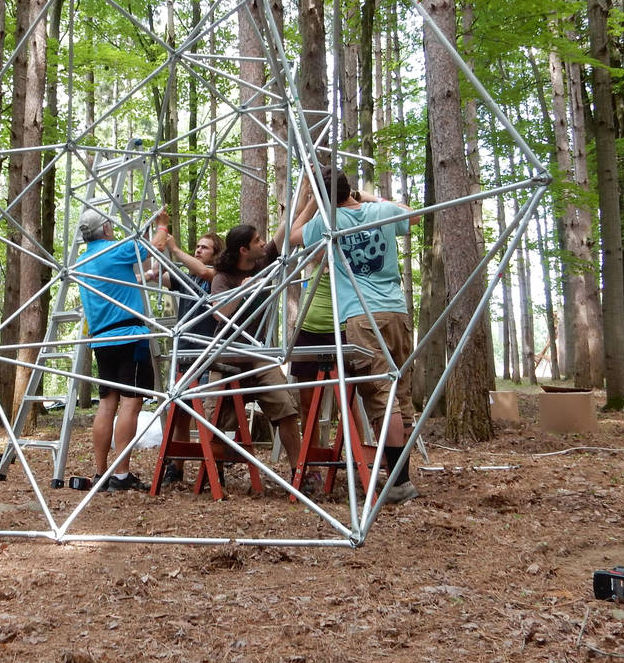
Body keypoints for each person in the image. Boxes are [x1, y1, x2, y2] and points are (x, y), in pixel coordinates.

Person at [291, 164, 422, 504]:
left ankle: (398, 481)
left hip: (362, 317)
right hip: (397, 312)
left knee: (382, 396)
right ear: (350, 189)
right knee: (399, 393)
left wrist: (312, 202)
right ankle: (400, 476)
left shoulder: (328, 222)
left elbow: (293, 235)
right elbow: (415, 216)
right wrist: (368, 197)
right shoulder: (380, 211)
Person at [73, 206, 170, 492]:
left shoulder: (83, 261)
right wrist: (161, 223)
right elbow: (155, 244)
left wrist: (147, 278)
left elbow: (118, 284)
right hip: (129, 336)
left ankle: (102, 472)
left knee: (107, 404)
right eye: (110, 225)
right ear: (105, 229)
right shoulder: (113, 250)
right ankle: (122, 475)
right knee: (131, 402)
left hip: (102, 340)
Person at [205, 224, 303, 480]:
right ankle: (213, 475)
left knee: (286, 408)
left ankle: (299, 472)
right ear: (243, 249)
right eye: (257, 240)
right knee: (210, 415)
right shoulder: (222, 278)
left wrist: (308, 195)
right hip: (228, 357)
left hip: (258, 356)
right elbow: (220, 313)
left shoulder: (264, 262)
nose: (263, 243)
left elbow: (287, 228)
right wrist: (244, 290)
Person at [153, 230, 222, 485]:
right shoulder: (185, 277)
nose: (198, 250)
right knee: (179, 411)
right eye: (197, 246)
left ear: (216, 254)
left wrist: (174, 247)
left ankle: (213, 468)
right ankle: (176, 467)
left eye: (205, 248)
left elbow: (204, 272)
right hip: (183, 352)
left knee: (206, 413)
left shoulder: (218, 277)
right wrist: (159, 240)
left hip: (207, 352)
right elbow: (158, 275)